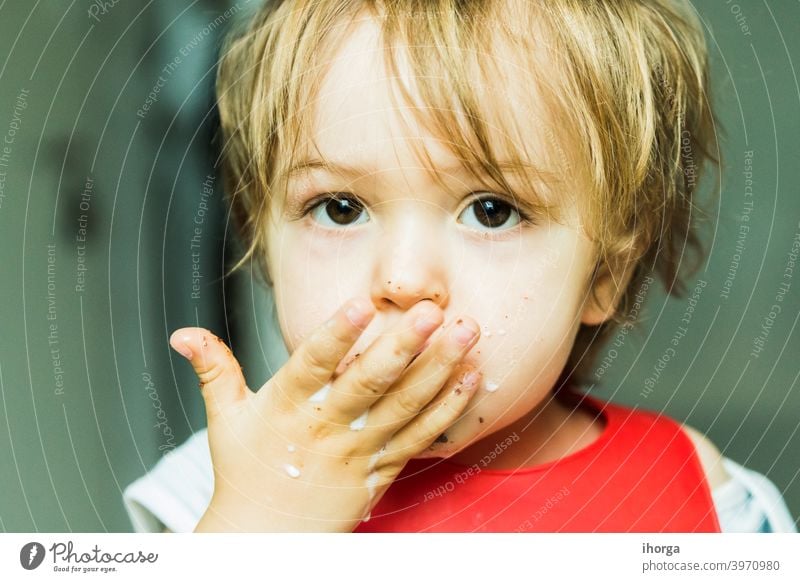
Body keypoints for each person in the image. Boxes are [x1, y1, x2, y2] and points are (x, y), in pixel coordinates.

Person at [124, 0, 796, 532]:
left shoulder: (701, 494)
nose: (405, 279)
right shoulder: (224, 487)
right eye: (339, 207)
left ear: (603, 273)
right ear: (262, 236)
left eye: (492, 210)